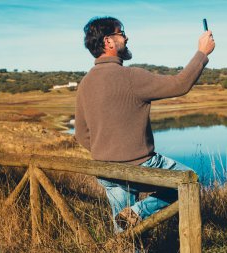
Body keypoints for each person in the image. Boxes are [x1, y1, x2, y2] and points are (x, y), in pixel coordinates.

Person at [75, 16, 215, 233]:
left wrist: (107, 152)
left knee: (126, 236)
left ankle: (132, 218)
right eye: (121, 33)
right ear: (108, 42)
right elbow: (180, 84)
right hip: (141, 166)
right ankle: (139, 212)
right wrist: (202, 53)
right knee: (191, 183)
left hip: (105, 169)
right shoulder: (131, 76)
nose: (126, 37)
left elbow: (81, 134)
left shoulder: (85, 83)